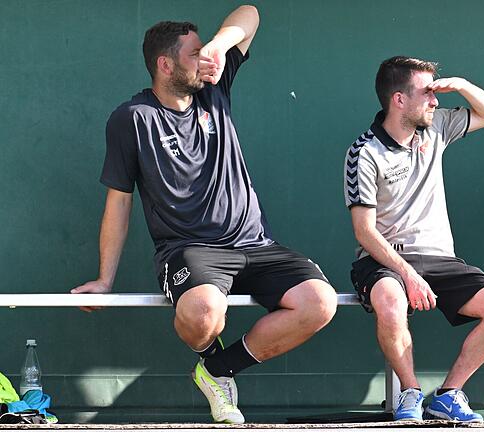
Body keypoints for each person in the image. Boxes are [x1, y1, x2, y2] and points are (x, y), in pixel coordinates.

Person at [72, 5, 337, 424]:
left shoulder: (214, 88)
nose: (207, 61)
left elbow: (250, 13)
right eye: (194, 54)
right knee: (202, 315)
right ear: (165, 64)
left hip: (255, 243)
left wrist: (216, 44)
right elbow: (119, 201)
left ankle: (217, 370)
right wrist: (105, 280)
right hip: (190, 251)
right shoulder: (131, 119)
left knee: (320, 303)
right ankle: (212, 357)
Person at [344, 56, 484, 423]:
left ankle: (449, 395)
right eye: (427, 93)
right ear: (398, 100)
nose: (435, 100)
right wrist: (408, 275)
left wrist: (461, 85)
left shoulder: (436, 127)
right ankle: (410, 392)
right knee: (391, 302)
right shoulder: (364, 152)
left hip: (440, 257)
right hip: (382, 260)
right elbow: (365, 232)